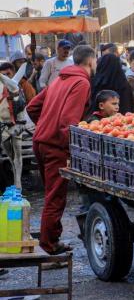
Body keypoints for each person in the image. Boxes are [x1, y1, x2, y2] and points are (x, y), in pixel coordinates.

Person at [27, 44, 96, 254]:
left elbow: (32, 107)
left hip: (41, 141)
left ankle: (50, 240)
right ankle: (48, 245)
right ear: (91, 61)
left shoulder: (59, 79)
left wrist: (44, 126)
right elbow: (68, 123)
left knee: (51, 195)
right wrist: (72, 149)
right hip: (56, 146)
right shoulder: (81, 83)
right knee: (55, 197)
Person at [0, 62, 31, 189]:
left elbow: (23, 111)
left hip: (17, 126)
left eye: (8, 74)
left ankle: (18, 184)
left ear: (13, 73)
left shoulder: (19, 89)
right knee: (9, 154)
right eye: (4, 75)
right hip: (3, 127)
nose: (7, 77)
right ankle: (11, 180)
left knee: (17, 153)